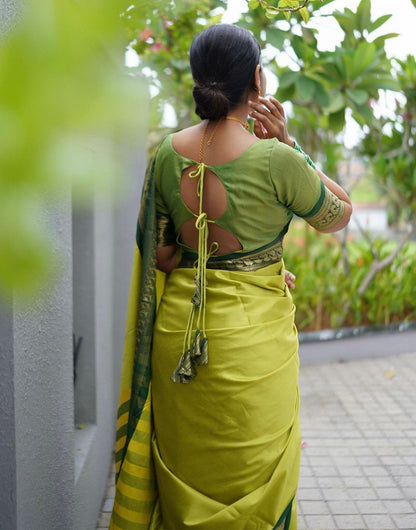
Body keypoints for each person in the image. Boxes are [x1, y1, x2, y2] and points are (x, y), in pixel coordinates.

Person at [110, 24, 352, 530]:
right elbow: (338, 216)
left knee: (187, 476)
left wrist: (214, 265)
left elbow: (157, 253)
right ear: (256, 82)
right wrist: (291, 144)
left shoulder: (166, 155)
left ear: (198, 79)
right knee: (253, 485)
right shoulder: (277, 160)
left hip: (178, 345)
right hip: (254, 345)